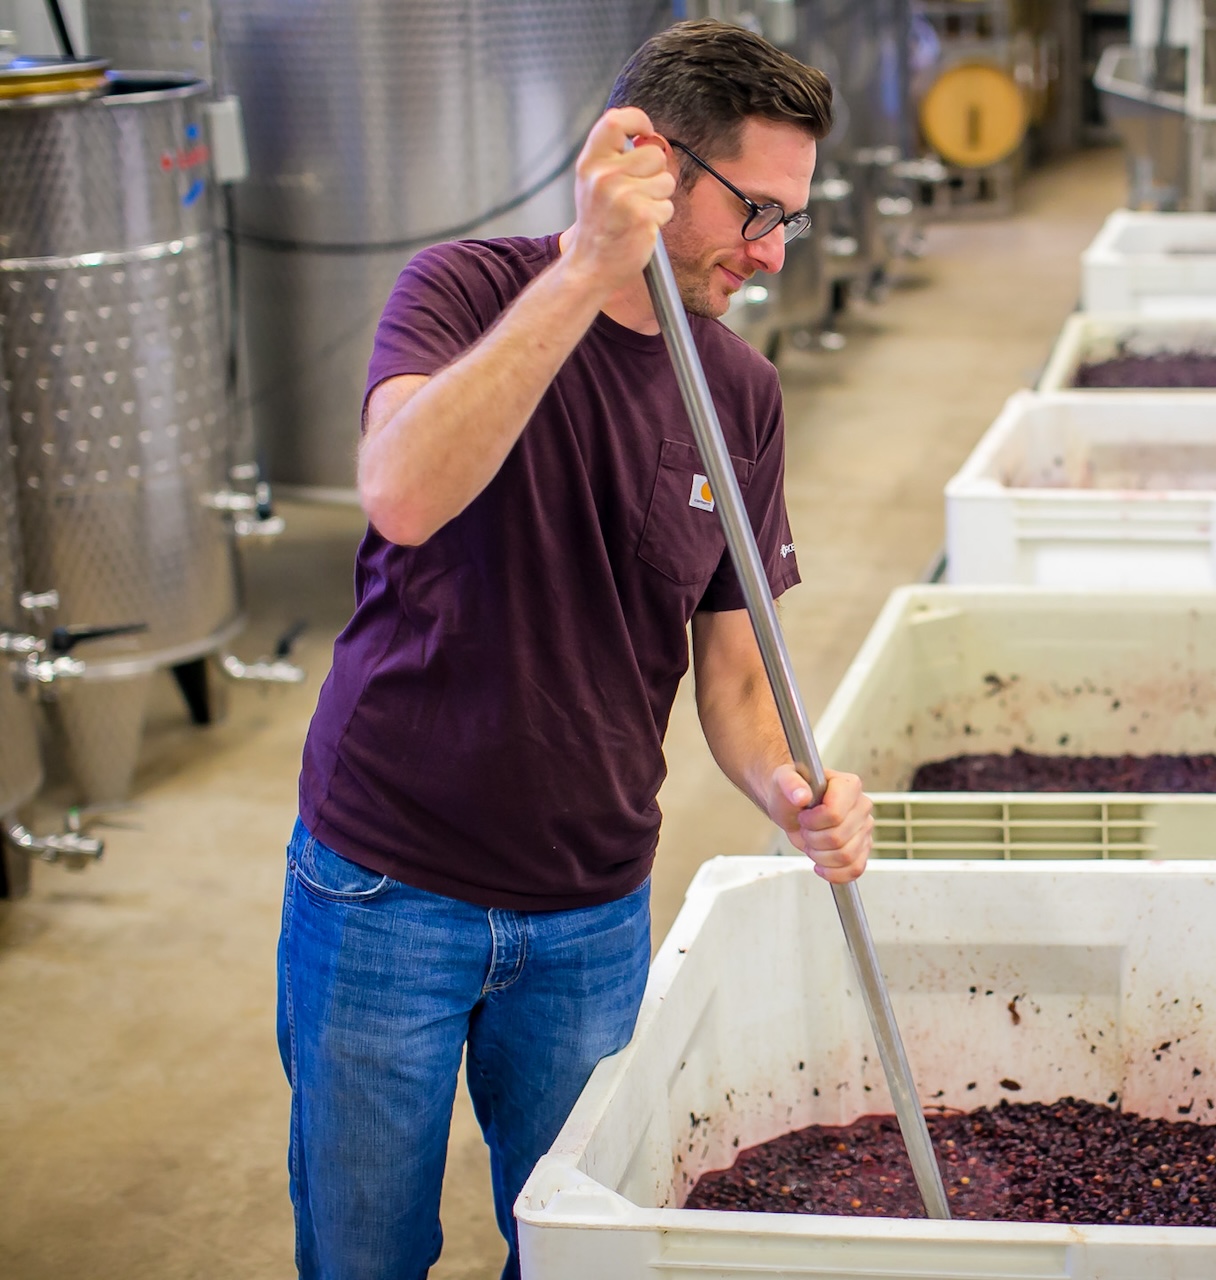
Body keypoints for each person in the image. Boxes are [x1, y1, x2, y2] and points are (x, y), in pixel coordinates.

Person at [277, 21, 871, 1280]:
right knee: (364, 1250)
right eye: (755, 210)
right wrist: (585, 270)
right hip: (388, 881)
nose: (769, 255)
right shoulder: (460, 291)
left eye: (791, 222)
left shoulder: (739, 393)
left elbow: (734, 675)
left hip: (593, 907)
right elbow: (402, 490)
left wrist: (788, 788)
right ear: (647, 159)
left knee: (576, 1251)